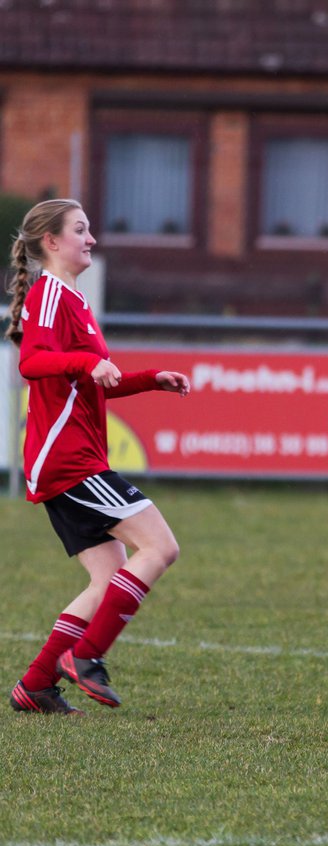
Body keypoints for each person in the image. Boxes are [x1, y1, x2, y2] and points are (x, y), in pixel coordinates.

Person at [5, 199, 190, 715]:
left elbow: (92, 384)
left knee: (109, 579)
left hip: (71, 458)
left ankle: (36, 685)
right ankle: (86, 656)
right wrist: (89, 362)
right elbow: (33, 361)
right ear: (52, 242)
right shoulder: (49, 294)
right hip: (70, 459)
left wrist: (150, 379)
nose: (91, 239)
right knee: (161, 547)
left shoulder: (75, 301)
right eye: (81, 230)